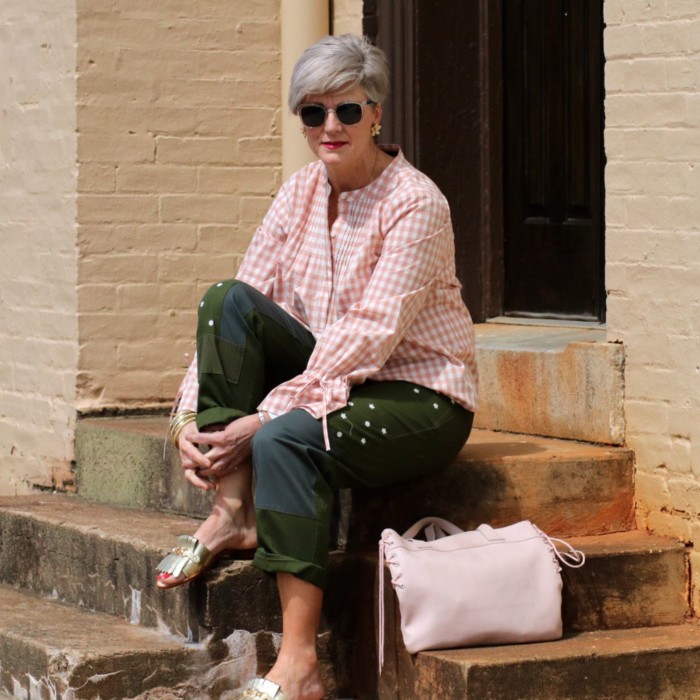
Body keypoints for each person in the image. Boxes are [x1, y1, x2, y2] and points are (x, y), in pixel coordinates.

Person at [156, 34, 478, 700]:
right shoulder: (298, 193)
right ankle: (235, 508)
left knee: (287, 435)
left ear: (377, 113)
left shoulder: (416, 204)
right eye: (313, 112)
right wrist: (189, 416)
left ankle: (299, 666)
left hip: (417, 396)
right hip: (332, 378)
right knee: (225, 301)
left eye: (347, 112)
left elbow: (369, 334)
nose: (330, 127)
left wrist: (268, 415)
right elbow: (245, 298)